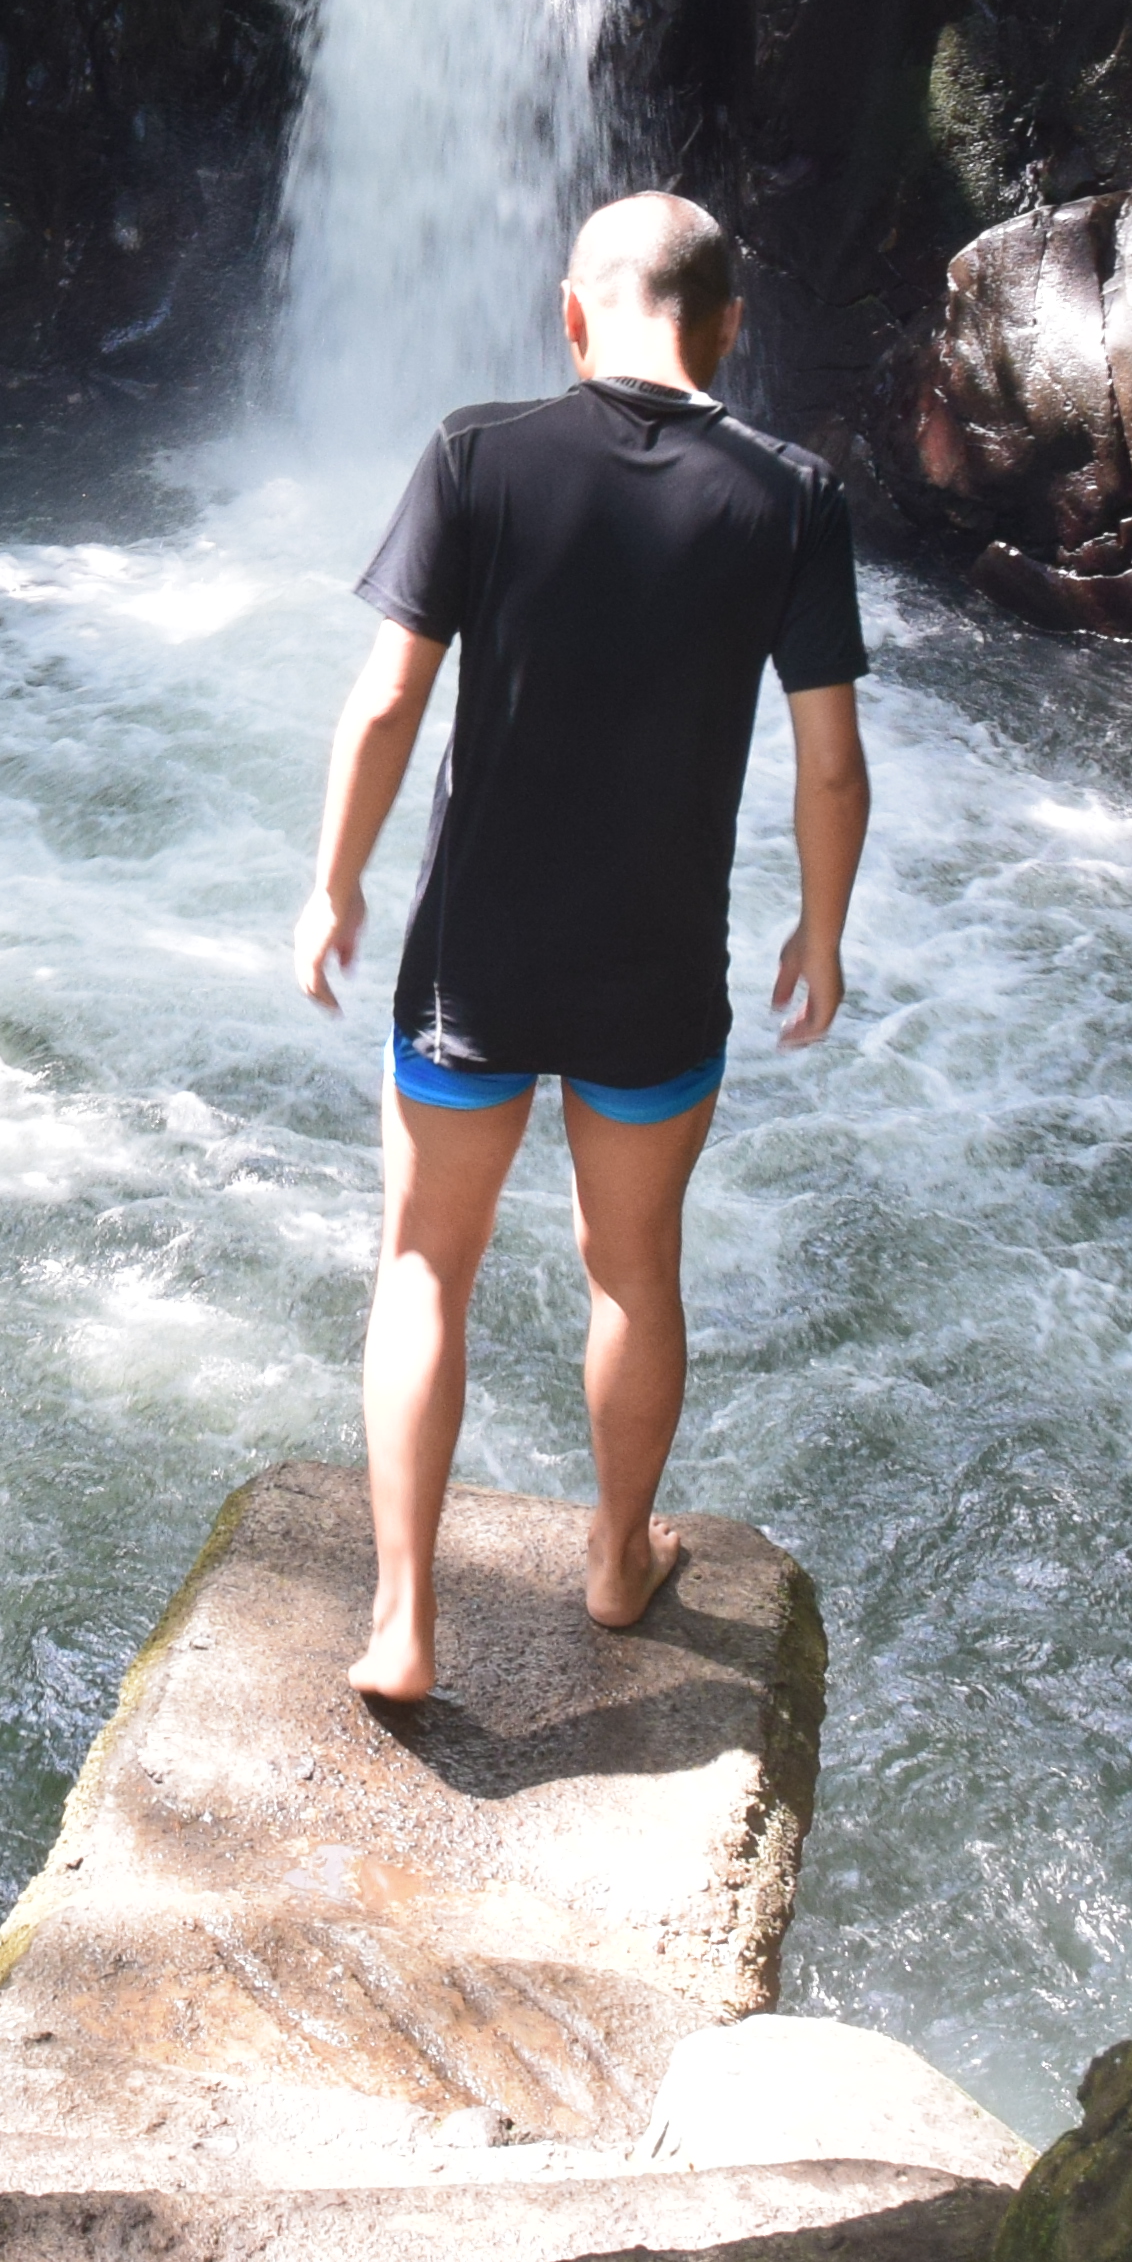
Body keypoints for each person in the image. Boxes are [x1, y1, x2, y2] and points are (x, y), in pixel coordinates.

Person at [289, 190, 869, 1708]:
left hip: (475, 952)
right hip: (655, 963)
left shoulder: (478, 455)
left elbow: (385, 706)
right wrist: (825, 920)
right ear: (729, 326)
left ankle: (404, 1623)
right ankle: (618, 1562)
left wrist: (333, 883)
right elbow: (831, 764)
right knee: (634, 1274)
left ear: (571, 314)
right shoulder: (793, 497)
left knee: (423, 1266)